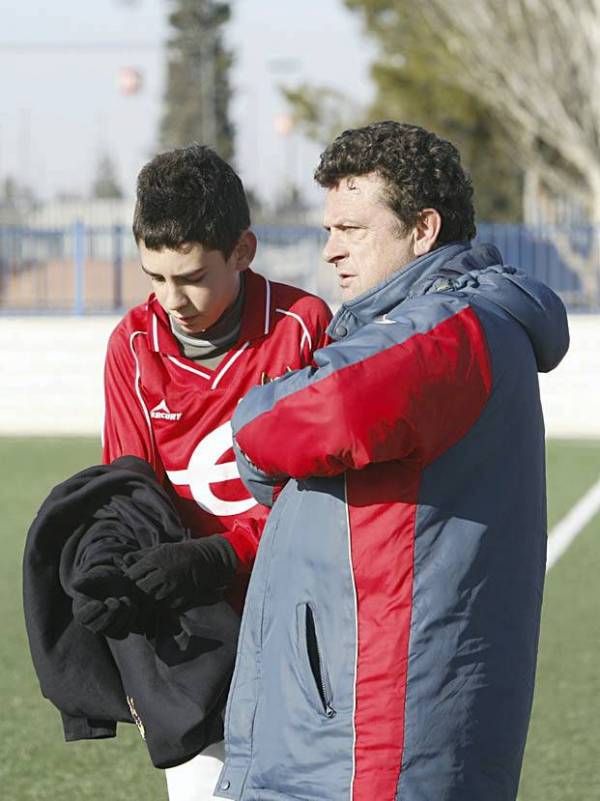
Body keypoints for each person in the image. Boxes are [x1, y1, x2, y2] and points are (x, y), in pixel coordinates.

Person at [217, 121, 570, 801]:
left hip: (373, 737)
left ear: (424, 228)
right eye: (328, 230)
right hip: (357, 728)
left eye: (351, 229)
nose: (331, 251)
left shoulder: (449, 328)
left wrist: (257, 436)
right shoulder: (448, 323)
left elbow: (286, 419)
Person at [99, 144, 331, 800]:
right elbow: (128, 490)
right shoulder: (131, 346)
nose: (172, 298)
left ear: (243, 250)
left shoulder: (301, 328)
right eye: (155, 276)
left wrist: (225, 552)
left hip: (294, 618)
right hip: (192, 629)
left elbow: (316, 497)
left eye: (192, 276)